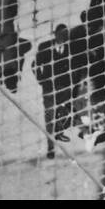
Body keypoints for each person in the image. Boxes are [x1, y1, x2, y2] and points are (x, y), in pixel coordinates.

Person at [33, 23, 74, 158]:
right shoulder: (45, 47)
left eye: (66, 34)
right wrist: (41, 80)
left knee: (63, 115)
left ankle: (59, 132)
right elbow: (35, 65)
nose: (64, 37)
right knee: (49, 118)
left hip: (65, 91)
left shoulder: (71, 48)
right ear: (55, 34)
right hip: (49, 89)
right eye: (61, 34)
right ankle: (50, 147)